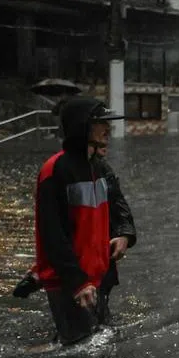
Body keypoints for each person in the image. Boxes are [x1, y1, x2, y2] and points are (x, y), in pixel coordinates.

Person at [13, 102, 137, 326]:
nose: (108, 129)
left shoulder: (98, 168)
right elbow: (52, 234)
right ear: (83, 127)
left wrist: (125, 234)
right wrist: (77, 281)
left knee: (98, 342)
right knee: (77, 349)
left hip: (96, 275)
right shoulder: (55, 170)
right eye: (101, 123)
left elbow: (116, 205)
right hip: (71, 281)